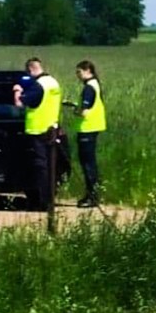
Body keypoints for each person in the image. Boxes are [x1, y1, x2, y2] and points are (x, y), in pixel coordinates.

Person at [13, 57, 62, 210]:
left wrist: (17, 90)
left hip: (38, 130)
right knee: (51, 166)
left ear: (31, 69)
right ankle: (51, 197)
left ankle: (43, 202)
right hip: (52, 129)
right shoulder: (53, 82)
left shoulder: (38, 86)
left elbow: (20, 103)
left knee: (41, 168)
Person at [65, 60, 107, 208]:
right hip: (94, 127)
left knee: (88, 164)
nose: (78, 76)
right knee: (90, 163)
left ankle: (92, 197)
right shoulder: (95, 84)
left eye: (79, 72)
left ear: (87, 70)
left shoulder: (89, 88)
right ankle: (92, 194)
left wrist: (75, 110)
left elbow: (85, 112)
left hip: (87, 128)